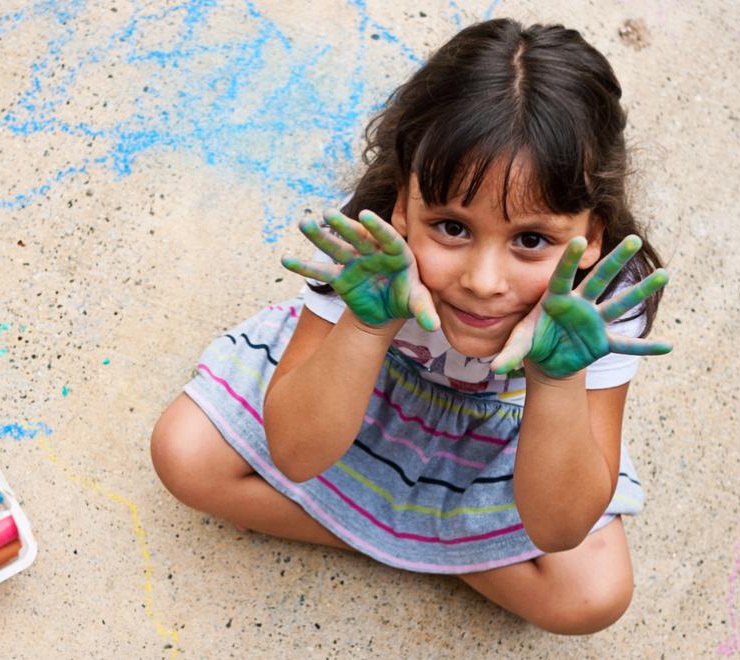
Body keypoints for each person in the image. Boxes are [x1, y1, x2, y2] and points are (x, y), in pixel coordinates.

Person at [151, 17, 671, 635]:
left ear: (593, 239)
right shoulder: (369, 253)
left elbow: (558, 528)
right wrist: (367, 329)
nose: (482, 279)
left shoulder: (604, 305)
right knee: (184, 455)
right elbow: (294, 453)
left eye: (531, 240)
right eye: (452, 227)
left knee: (592, 597)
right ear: (403, 203)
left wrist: (556, 382)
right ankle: (431, 545)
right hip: (363, 396)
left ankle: (379, 531)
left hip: (507, 441)